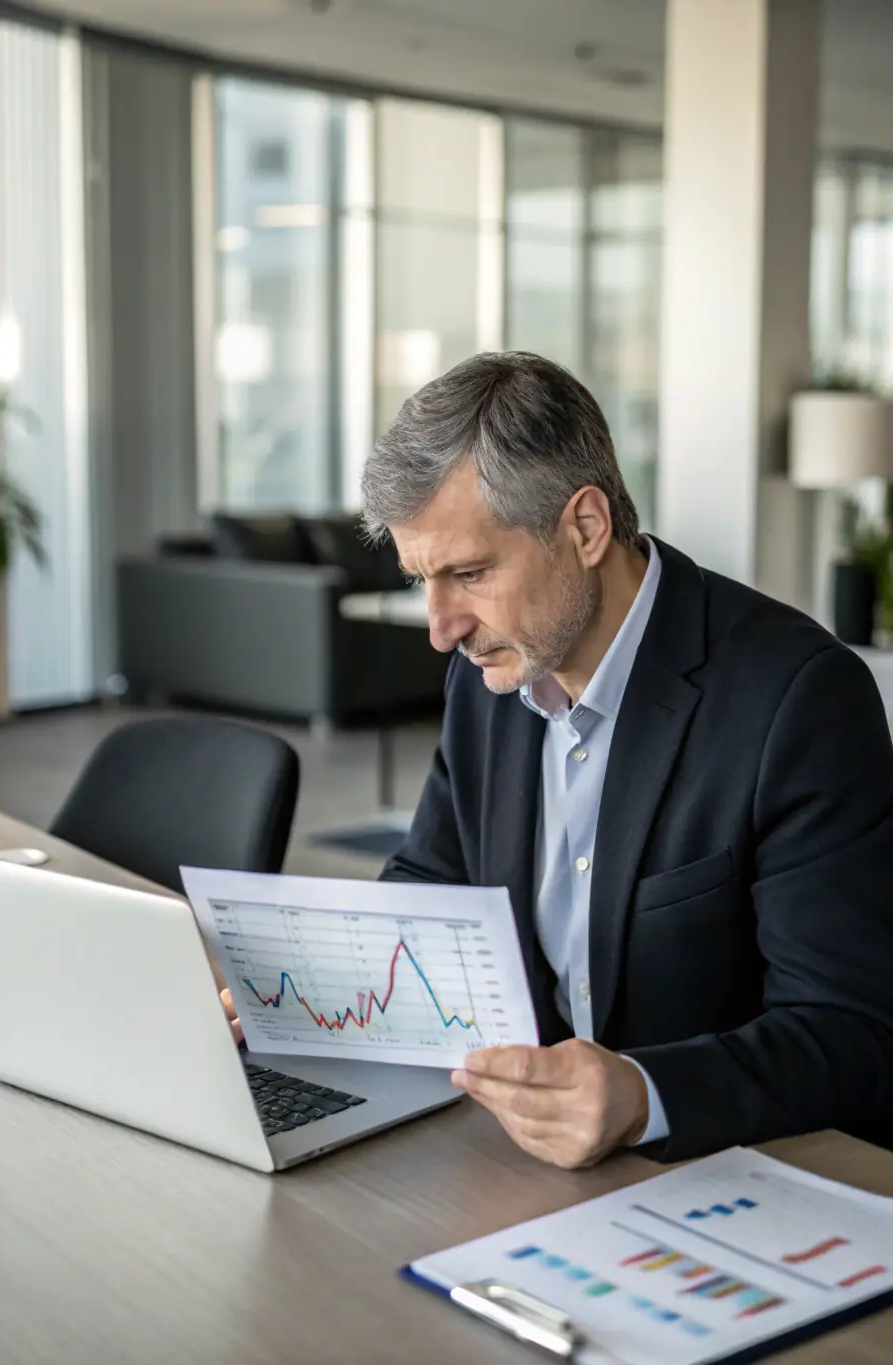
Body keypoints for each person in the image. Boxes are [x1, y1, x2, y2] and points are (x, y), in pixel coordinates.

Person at [350, 349, 893, 1169]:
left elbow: (851, 1031)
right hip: (528, 1164)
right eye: (421, 578)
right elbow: (434, 878)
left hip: (734, 1172)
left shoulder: (798, 698)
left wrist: (642, 1094)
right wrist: (320, 994)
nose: (441, 627)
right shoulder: (490, 675)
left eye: (470, 572)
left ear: (586, 527)